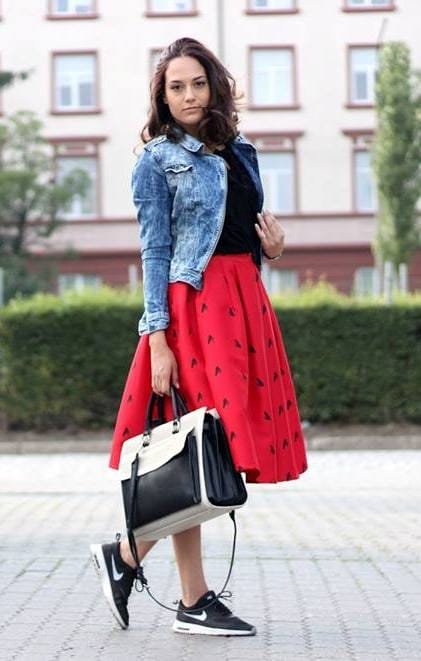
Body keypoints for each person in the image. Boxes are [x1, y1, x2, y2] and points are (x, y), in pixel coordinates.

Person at [90, 36, 308, 637]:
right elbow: (155, 251)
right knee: (194, 445)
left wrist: (273, 248)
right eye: (175, 87)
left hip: (243, 302)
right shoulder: (156, 159)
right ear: (162, 97)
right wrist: (157, 337)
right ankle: (188, 596)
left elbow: (242, 230)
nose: (188, 96)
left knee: (209, 452)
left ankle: (132, 560)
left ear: (215, 85)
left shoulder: (244, 152)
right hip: (194, 308)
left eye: (197, 83)